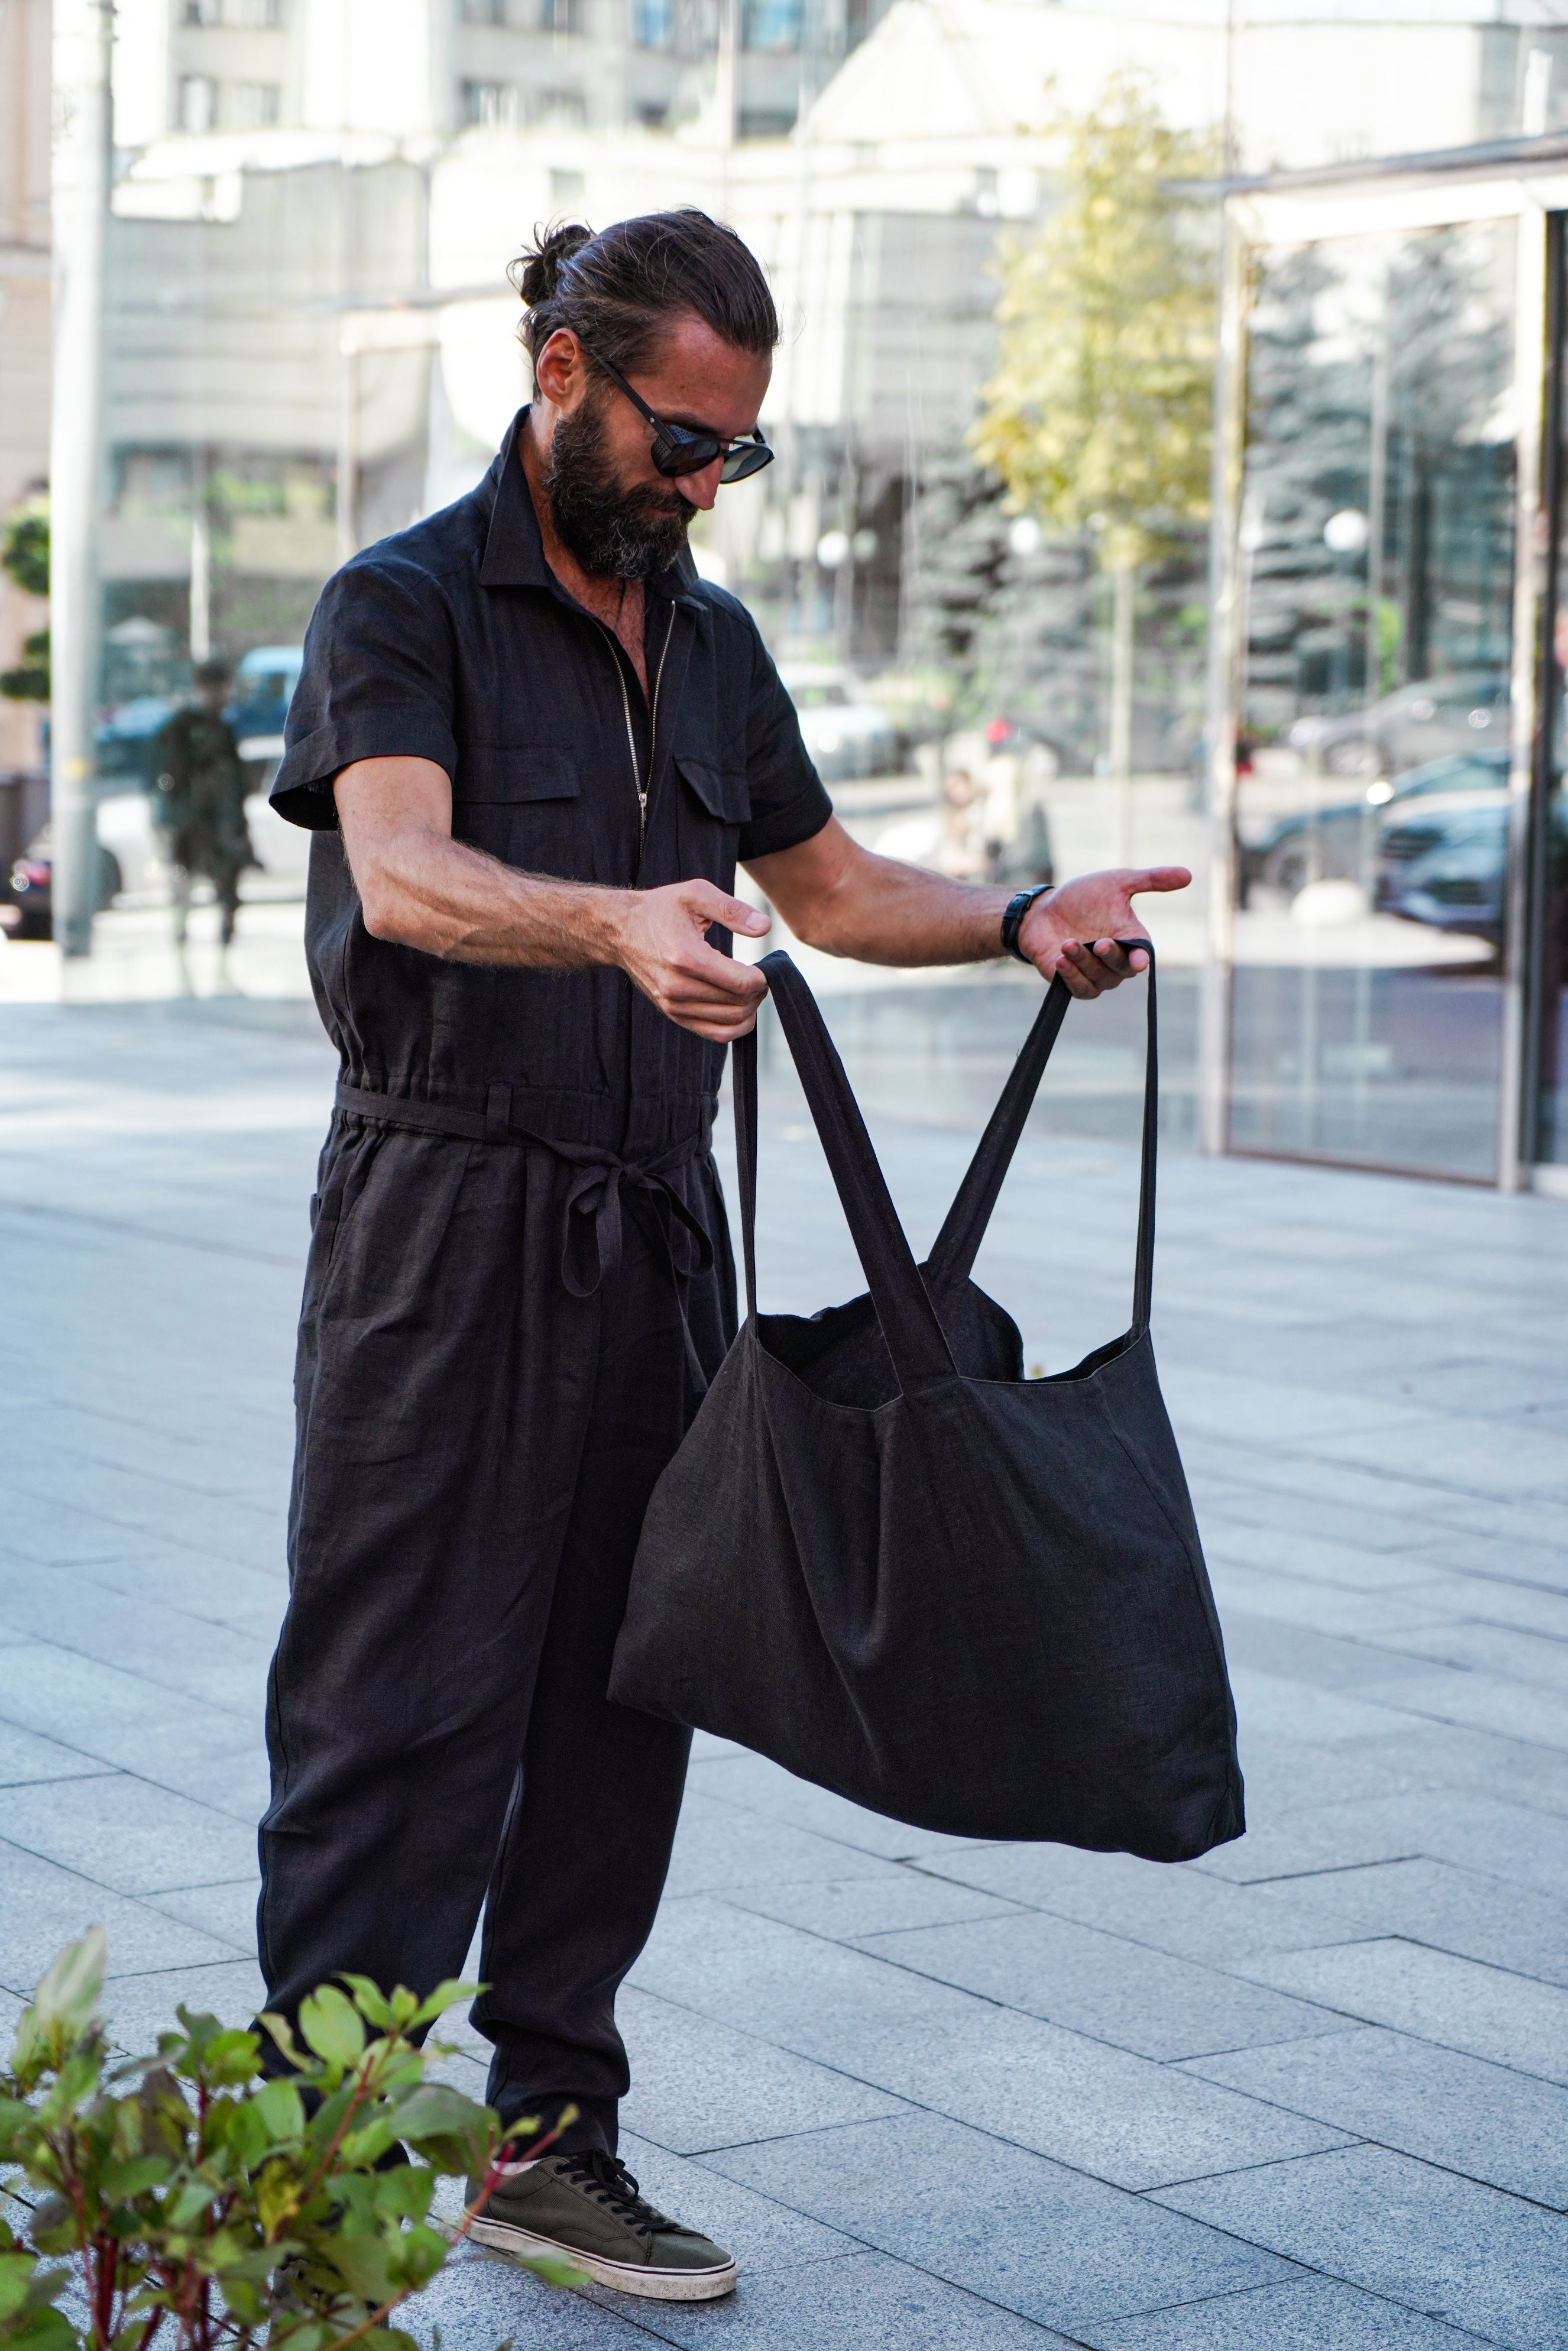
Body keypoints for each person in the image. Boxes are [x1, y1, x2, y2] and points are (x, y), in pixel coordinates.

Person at [259, 209, 1189, 2304]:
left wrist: (1021, 910)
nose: (702, 485)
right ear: (565, 372)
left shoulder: (714, 637)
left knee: (625, 1684)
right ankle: (299, 2183)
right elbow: (400, 874)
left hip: (656, 1223)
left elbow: (833, 881)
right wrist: (607, 916)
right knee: (397, 1706)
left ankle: (544, 2137)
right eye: (683, 440)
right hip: (444, 1218)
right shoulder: (397, 606)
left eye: (736, 458)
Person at [153, 656, 255, 985]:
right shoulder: (182, 727)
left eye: (223, 688)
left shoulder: (224, 730)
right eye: (214, 688)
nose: (220, 695)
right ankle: (181, 943)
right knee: (184, 883)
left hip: (221, 824)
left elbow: (237, 785)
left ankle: (223, 946)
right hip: (191, 822)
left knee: (227, 885)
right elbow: (169, 776)